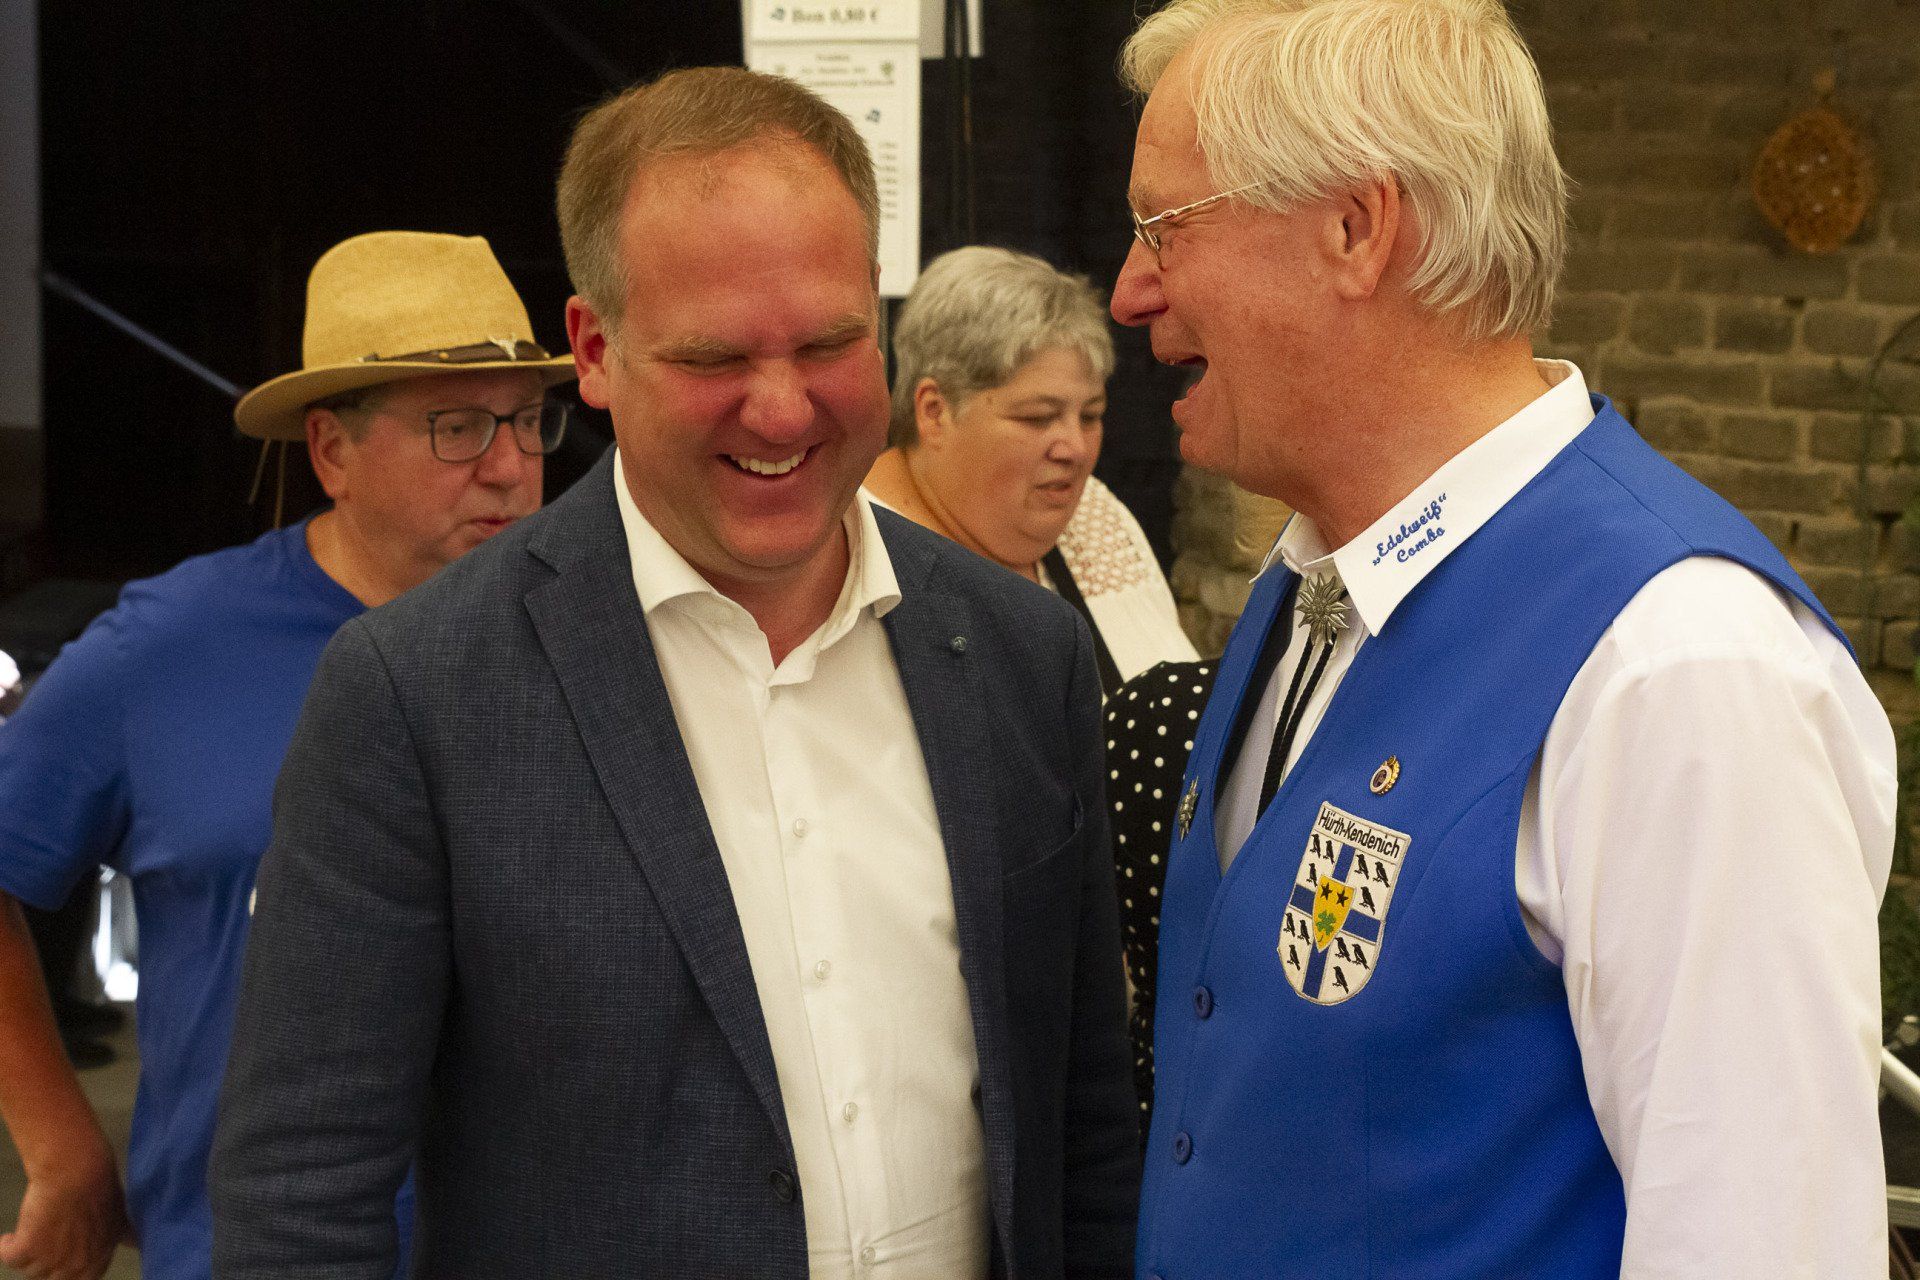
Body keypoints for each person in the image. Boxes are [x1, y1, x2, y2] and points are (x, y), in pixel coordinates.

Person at [210, 67, 1139, 1279]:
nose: (781, 409)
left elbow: (1084, 1125)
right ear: (594, 350)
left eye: (827, 342)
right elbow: (302, 1191)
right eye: (713, 356)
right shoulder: (417, 694)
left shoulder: (1022, 652)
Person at [1111, 2, 1894, 1276]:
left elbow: (1761, 1239)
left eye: (1166, 226)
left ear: (1355, 228)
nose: (1130, 287)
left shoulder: (1680, 663)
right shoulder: (1309, 581)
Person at [0, 229, 572, 1280]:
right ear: (332, 451)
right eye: (456, 427)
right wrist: (61, 1146)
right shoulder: (167, 649)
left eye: (529, 419)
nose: (510, 466)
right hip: (249, 1254)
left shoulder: (593, 636)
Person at [865, 246, 1196, 690]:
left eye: (1091, 415)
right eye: (1037, 418)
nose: (1074, 448)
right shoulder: (864, 560)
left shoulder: (1094, 515)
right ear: (935, 412)